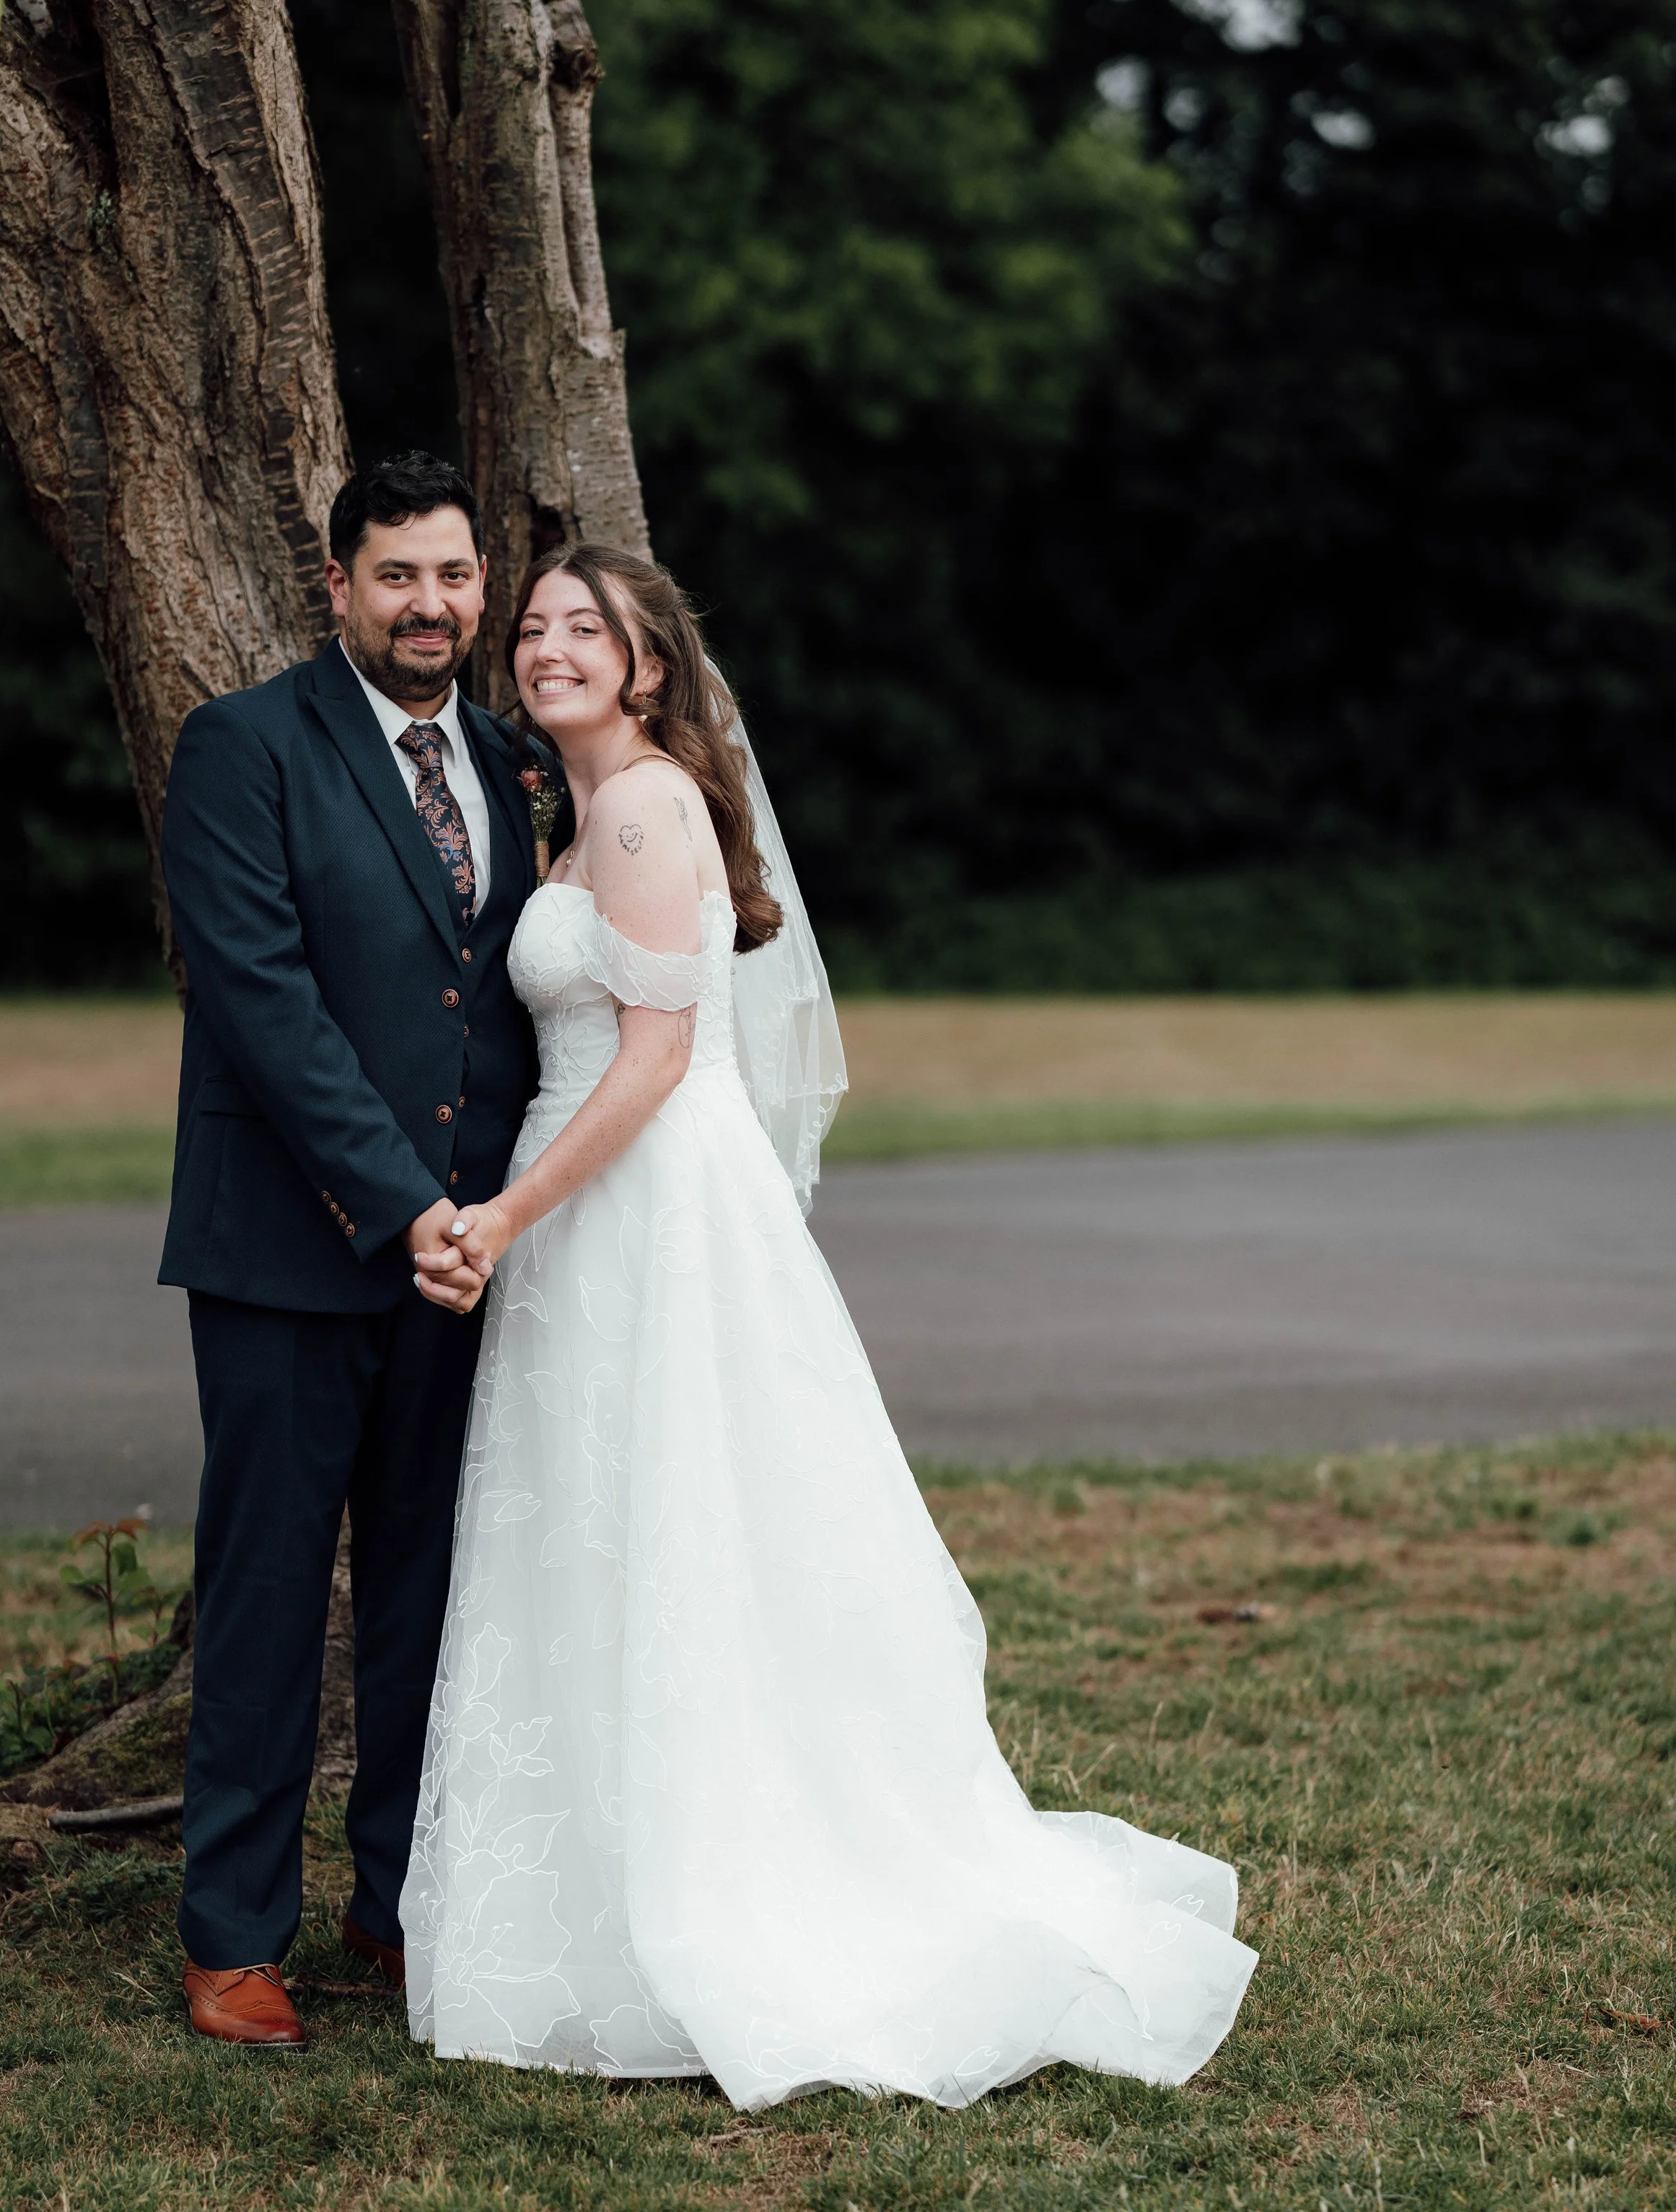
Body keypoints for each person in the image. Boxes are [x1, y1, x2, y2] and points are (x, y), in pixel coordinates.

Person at [400, 543, 1258, 2107]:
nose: (547, 648)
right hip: (590, 1210)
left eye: (583, 628)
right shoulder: (575, 814)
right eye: (531, 628)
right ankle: (584, 1898)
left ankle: (708, 1897)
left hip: (645, 1212)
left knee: (671, 1530)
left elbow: (653, 1060)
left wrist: (510, 1217)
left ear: (645, 666)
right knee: (598, 1531)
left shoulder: (647, 804)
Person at [157, 451, 563, 2047]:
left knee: (428, 1590)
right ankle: (231, 1939)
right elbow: (258, 1000)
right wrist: (407, 1207)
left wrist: (488, 1217)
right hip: (292, 1250)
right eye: (396, 574)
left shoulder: (516, 762)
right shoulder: (245, 744)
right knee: (265, 1589)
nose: (429, 603)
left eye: (454, 575)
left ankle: (400, 1906)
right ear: (337, 586)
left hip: (471, 1257)